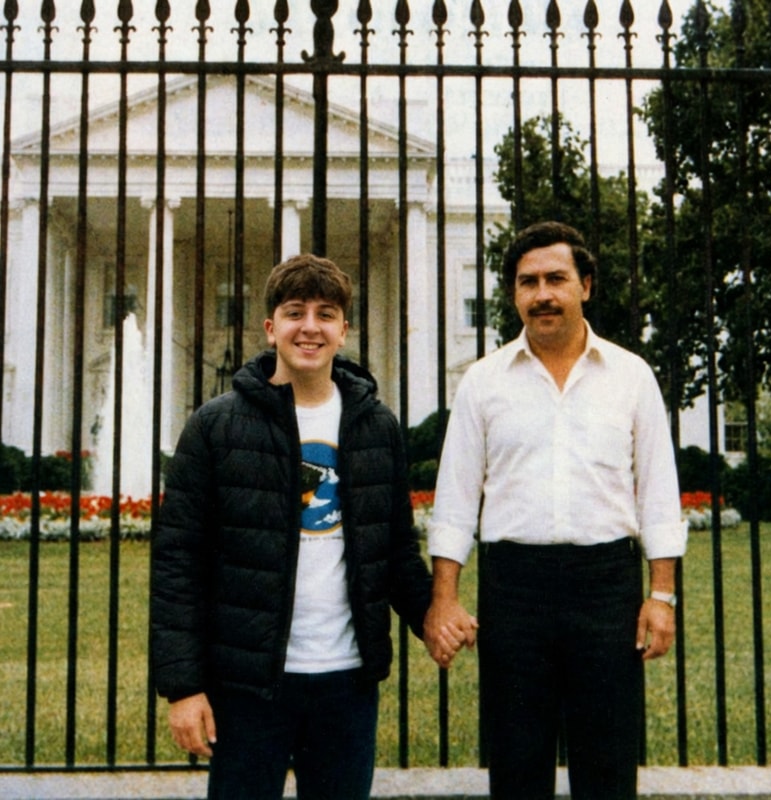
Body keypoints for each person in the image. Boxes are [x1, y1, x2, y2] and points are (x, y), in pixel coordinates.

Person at [151, 253, 435, 800]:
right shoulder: (215, 426)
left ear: (344, 330)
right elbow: (177, 564)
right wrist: (184, 689)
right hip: (248, 681)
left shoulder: (376, 426)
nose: (310, 327)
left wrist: (433, 617)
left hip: (347, 680)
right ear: (270, 327)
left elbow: (394, 549)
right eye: (295, 312)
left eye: (326, 314)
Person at [424, 221, 688, 799]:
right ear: (514, 294)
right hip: (514, 589)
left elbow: (659, 494)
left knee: (608, 762)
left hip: (606, 587)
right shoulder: (483, 383)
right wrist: (444, 598)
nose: (542, 293)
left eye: (556, 279)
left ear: (585, 286)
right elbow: (456, 497)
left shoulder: (631, 377)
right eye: (528, 282)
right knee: (517, 764)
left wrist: (661, 596)